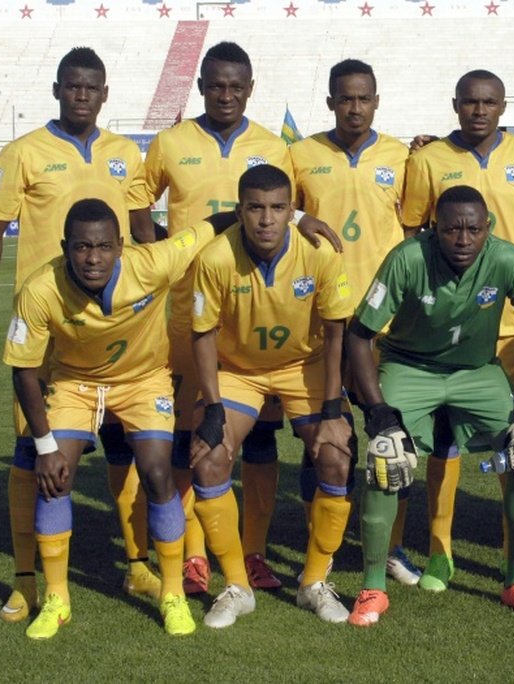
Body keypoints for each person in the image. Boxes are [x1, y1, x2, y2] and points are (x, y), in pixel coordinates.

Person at [0, 46, 158, 624]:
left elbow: (145, 233)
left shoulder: (127, 155)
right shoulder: (23, 153)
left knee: (129, 443)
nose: (82, 95)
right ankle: (27, 579)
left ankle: (139, 561)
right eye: (72, 86)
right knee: (33, 451)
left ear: (105, 95)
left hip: (120, 329)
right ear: (57, 90)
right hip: (48, 330)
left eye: (91, 87)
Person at [144, 41, 335, 595]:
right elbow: (138, 206)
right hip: (192, 316)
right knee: (194, 437)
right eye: (215, 84)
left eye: (236, 86)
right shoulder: (170, 141)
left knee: (260, 442)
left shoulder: (273, 144)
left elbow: (283, 204)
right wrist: (169, 256)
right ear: (201, 85)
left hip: (262, 319)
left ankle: (251, 552)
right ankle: (196, 555)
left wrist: (304, 219)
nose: (225, 94)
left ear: (250, 89)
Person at [1, 198, 232, 638]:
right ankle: (57, 598)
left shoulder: (155, 261)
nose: (93, 258)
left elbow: (215, 222)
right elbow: (24, 372)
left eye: (104, 247)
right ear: (65, 246)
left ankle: (171, 594)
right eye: (83, 247)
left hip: (144, 382)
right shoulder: (39, 288)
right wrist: (46, 447)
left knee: (158, 473)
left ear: (121, 246)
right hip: (74, 384)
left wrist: (298, 218)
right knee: (55, 476)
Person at [346, 185, 514, 627]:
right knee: (387, 456)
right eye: (452, 229)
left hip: (477, 371)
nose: (463, 240)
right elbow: (359, 333)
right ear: (433, 228)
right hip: (409, 367)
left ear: (489, 229)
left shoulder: (509, 259)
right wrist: (379, 412)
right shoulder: (408, 257)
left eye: (473, 230)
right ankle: (372, 587)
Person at [400, 70, 514, 591]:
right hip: (453, 327)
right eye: (470, 101)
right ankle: (440, 552)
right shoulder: (427, 159)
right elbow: (413, 235)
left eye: (489, 102)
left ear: (503, 105)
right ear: (455, 104)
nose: (479, 111)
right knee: (443, 438)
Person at [189, 164, 355, 626]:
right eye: (256, 208)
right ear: (239, 210)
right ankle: (237, 586)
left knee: (337, 454)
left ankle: (314, 582)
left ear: (291, 210)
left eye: (278, 208)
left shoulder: (318, 253)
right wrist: (212, 407)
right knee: (208, 456)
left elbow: (337, 330)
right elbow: (201, 335)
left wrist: (331, 408)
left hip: (304, 367)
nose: (266, 219)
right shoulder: (215, 258)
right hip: (239, 371)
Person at [289, 58, 418, 585]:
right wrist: (300, 218)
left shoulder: (404, 157)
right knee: (323, 436)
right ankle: (319, 539)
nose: (355, 107)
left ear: (377, 101)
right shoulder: (300, 155)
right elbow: (272, 213)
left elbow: (416, 227)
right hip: (321, 321)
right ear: (330, 102)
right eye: (345, 98)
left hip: (388, 323)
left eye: (364, 98)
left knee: (393, 435)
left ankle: (392, 546)